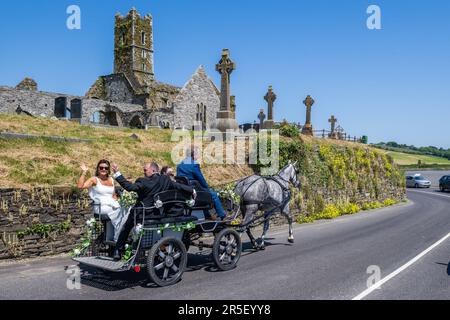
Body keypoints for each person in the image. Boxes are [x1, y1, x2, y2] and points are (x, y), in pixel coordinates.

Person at [111, 162, 196, 260]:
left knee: (126, 227)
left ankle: (118, 249)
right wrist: (191, 190)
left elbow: (130, 187)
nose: (143, 173)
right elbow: (177, 186)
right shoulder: (165, 180)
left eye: (145, 170)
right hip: (156, 214)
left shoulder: (143, 181)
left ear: (153, 170)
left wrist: (117, 173)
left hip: (140, 214)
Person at [77, 160, 129, 242]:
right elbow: (80, 186)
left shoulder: (111, 179)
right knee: (120, 212)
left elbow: (113, 195)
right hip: (101, 206)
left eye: (106, 168)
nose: (103, 169)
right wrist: (84, 172)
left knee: (128, 210)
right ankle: (117, 238)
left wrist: (121, 202)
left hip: (112, 204)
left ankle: (116, 236)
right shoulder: (94, 179)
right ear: (98, 169)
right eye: (101, 167)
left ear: (108, 169)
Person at [177, 146, 227, 221]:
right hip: (195, 193)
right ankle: (222, 215)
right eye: (198, 154)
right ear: (193, 154)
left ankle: (207, 215)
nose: (198, 156)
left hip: (185, 193)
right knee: (213, 194)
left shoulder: (180, 165)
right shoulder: (194, 165)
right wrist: (208, 188)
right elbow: (201, 180)